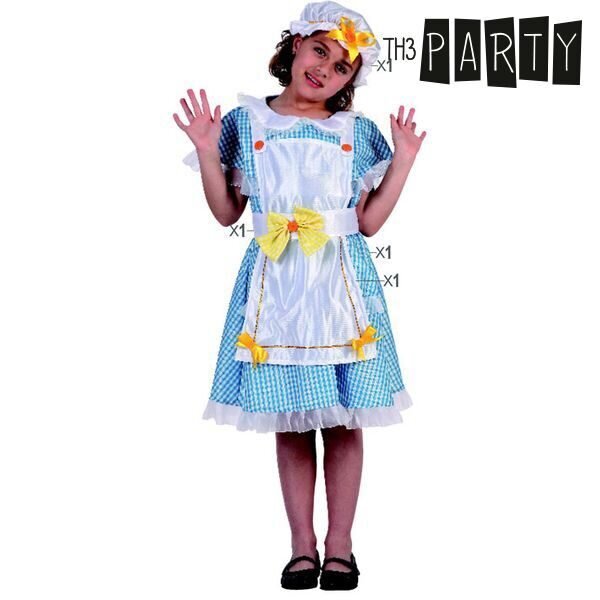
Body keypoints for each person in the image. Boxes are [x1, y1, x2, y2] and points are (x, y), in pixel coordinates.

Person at [173, 1, 426, 590]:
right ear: (294, 45)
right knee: (289, 420)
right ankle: (301, 548)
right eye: (319, 52)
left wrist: (404, 162)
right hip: (277, 288)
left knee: (344, 419)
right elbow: (226, 213)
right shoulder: (248, 122)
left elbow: (368, 224)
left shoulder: (356, 133)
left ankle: (341, 546)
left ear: (351, 80)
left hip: (341, 288)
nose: (323, 70)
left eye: (341, 68)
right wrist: (208, 150)